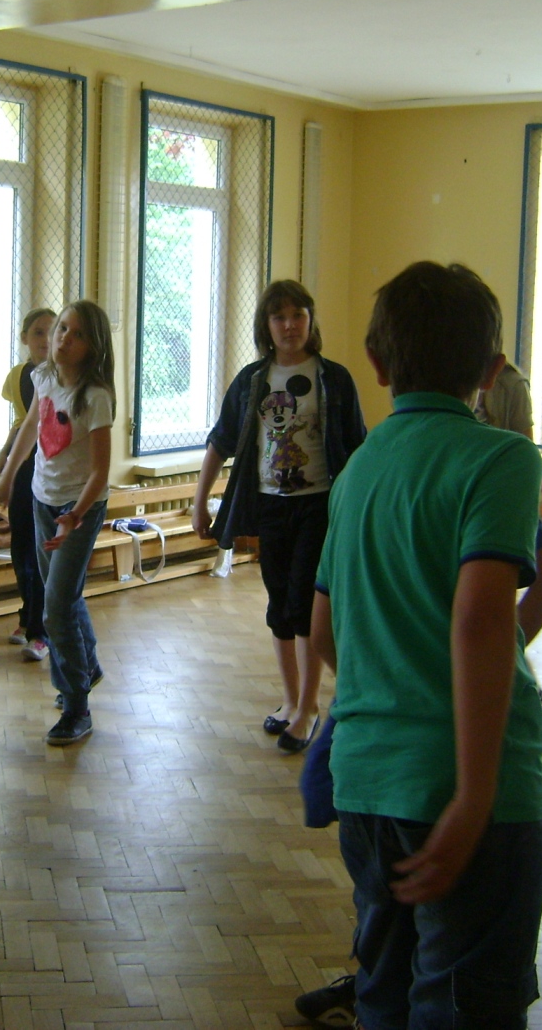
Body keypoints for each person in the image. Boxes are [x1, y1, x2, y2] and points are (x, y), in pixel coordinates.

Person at [295, 262, 542, 1030]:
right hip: (475, 796)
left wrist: (395, 692)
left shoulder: (358, 470)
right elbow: (481, 620)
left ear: (376, 363)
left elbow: (322, 631)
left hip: (368, 785)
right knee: (469, 1004)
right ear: (492, 370)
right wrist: (472, 795)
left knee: (385, 991)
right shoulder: (503, 458)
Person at [191, 280, 366, 753]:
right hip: (269, 504)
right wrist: (200, 500)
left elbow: (358, 449)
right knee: (279, 603)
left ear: (311, 320)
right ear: (266, 326)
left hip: (318, 505)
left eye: (298, 314)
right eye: (279, 316)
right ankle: (290, 701)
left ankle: (309, 708)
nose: (290, 325)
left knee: (305, 602)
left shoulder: (335, 379)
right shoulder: (252, 380)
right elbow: (221, 441)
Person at [0, 300, 115, 746]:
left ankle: (76, 706)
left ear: (93, 346)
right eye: (61, 329)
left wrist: (74, 516)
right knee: (63, 596)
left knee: (54, 607)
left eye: (77, 334)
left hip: (79, 509)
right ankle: (85, 667)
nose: (63, 338)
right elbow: (29, 431)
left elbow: (100, 471)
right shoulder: (43, 377)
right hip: (42, 499)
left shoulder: (95, 398)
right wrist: (4, 482)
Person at [472, 357, 542, 735]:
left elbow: (524, 443)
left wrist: (501, 649)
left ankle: (530, 697)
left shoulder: (511, 384)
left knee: (494, 615)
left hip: (499, 496)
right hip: (480, 494)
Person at [0, 307, 57, 662]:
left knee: (40, 548)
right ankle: (26, 616)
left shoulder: (63, 375)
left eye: (53, 331)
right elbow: (22, 421)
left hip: (49, 466)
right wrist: (6, 454)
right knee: (21, 546)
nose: (45, 339)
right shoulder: (18, 376)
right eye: (38, 332)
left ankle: (40, 631)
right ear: (24, 338)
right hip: (23, 464)